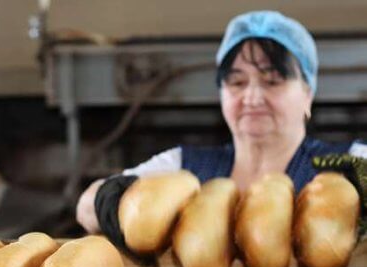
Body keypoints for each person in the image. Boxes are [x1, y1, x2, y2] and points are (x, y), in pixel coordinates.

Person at [76, 11, 366, 242]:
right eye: (237, 82)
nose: (252, 97)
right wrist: (124, 208)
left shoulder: (351, 163)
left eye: (272, 81)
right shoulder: (183, 166)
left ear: (308, 94)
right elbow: (87, 206)